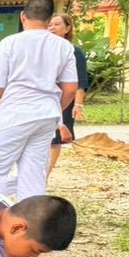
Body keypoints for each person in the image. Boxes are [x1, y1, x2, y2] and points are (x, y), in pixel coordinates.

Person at [0, 0, 78, 200]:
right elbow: (71, 89)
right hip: (46, 115)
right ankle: (29, 227)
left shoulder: (9, 43)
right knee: (33, 175)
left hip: (13, 113)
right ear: (49, 21)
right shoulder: (64, 47)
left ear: (23, 17)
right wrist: (55, 108)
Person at [46, 13, 89, 178]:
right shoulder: (43, 48)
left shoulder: (73, 51)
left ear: (67, 28)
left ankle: (46, 174)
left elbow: (79, 80)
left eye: (57, 24)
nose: (52, 28)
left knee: (55, 138)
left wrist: (78, 104)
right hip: (45, 96)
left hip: (64, 98)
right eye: (49, 24)